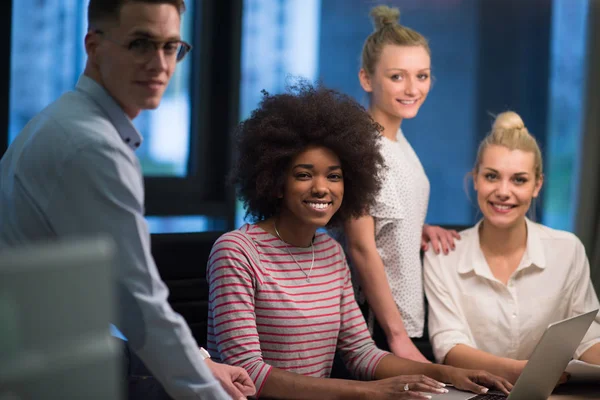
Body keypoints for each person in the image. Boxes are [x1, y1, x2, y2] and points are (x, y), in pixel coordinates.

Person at [0, 1, 254, 399]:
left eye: (171, 46)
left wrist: (202, 362)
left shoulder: (61, 120)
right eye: (140, 43)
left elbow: (109, 297)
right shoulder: (92, 147)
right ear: (94, 46)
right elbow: (139, 306)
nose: (160, 63)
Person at [206, 82, 512, 399]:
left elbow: (362, 353)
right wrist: (368, 393)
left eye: (334, 176)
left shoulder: (330, 253)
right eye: (304, 174)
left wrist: (447, 374)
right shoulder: (236, 252)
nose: (322, 188)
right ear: (276, 182)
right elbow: (249, 374)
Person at [423, 111, 600, 384]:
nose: (503, 191)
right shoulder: (442, 256)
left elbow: (587, 336)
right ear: (475, 179)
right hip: (475, 395)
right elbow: (449, 346)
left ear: (537, 185)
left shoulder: (567, 251)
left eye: (519, 180)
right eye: (492, 176)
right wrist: (518, 371)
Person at [343, 5, 459, 363]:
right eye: (397, 77)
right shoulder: (361, 147)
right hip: (372, 326)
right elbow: (361, 247)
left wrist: (416, 228)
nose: (413, 88)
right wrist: (397, 338)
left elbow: (384, 217)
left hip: (401, 321)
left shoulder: (398, 142)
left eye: (422, 75)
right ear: (366, 79)